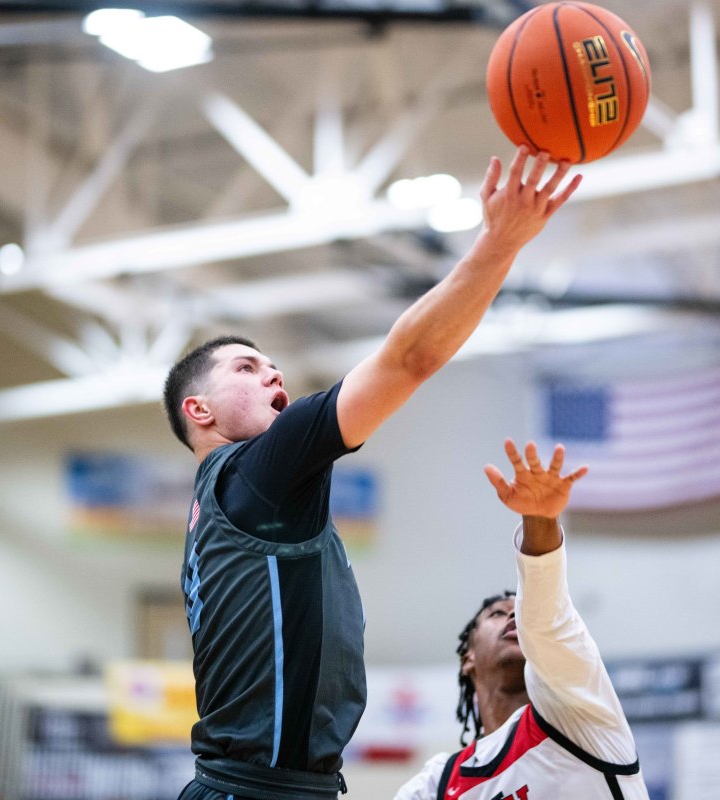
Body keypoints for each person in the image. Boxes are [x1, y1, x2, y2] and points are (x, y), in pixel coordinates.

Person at [164, 148, 581, 800]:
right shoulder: (260, 472)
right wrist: (500, 244)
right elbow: (410, 358)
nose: (272, 372)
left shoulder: (222, 508)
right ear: (200, 410)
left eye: (272, 363)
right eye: (245, 367)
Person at [395, 439, 648, 799]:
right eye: (498, 614)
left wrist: (540, 519)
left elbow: (545, 620)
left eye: (520, 610)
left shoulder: (578, 707)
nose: (514, 616)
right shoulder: (436, 784)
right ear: (468, 658)